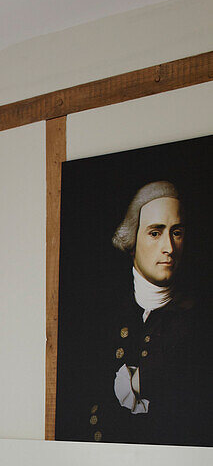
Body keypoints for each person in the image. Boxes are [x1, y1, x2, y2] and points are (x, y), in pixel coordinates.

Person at [84, 180, 208, 445]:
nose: (169, 248)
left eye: (176, 232)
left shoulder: (199, 321)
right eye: (155, 232)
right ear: (132, 239)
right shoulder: (101, 314)